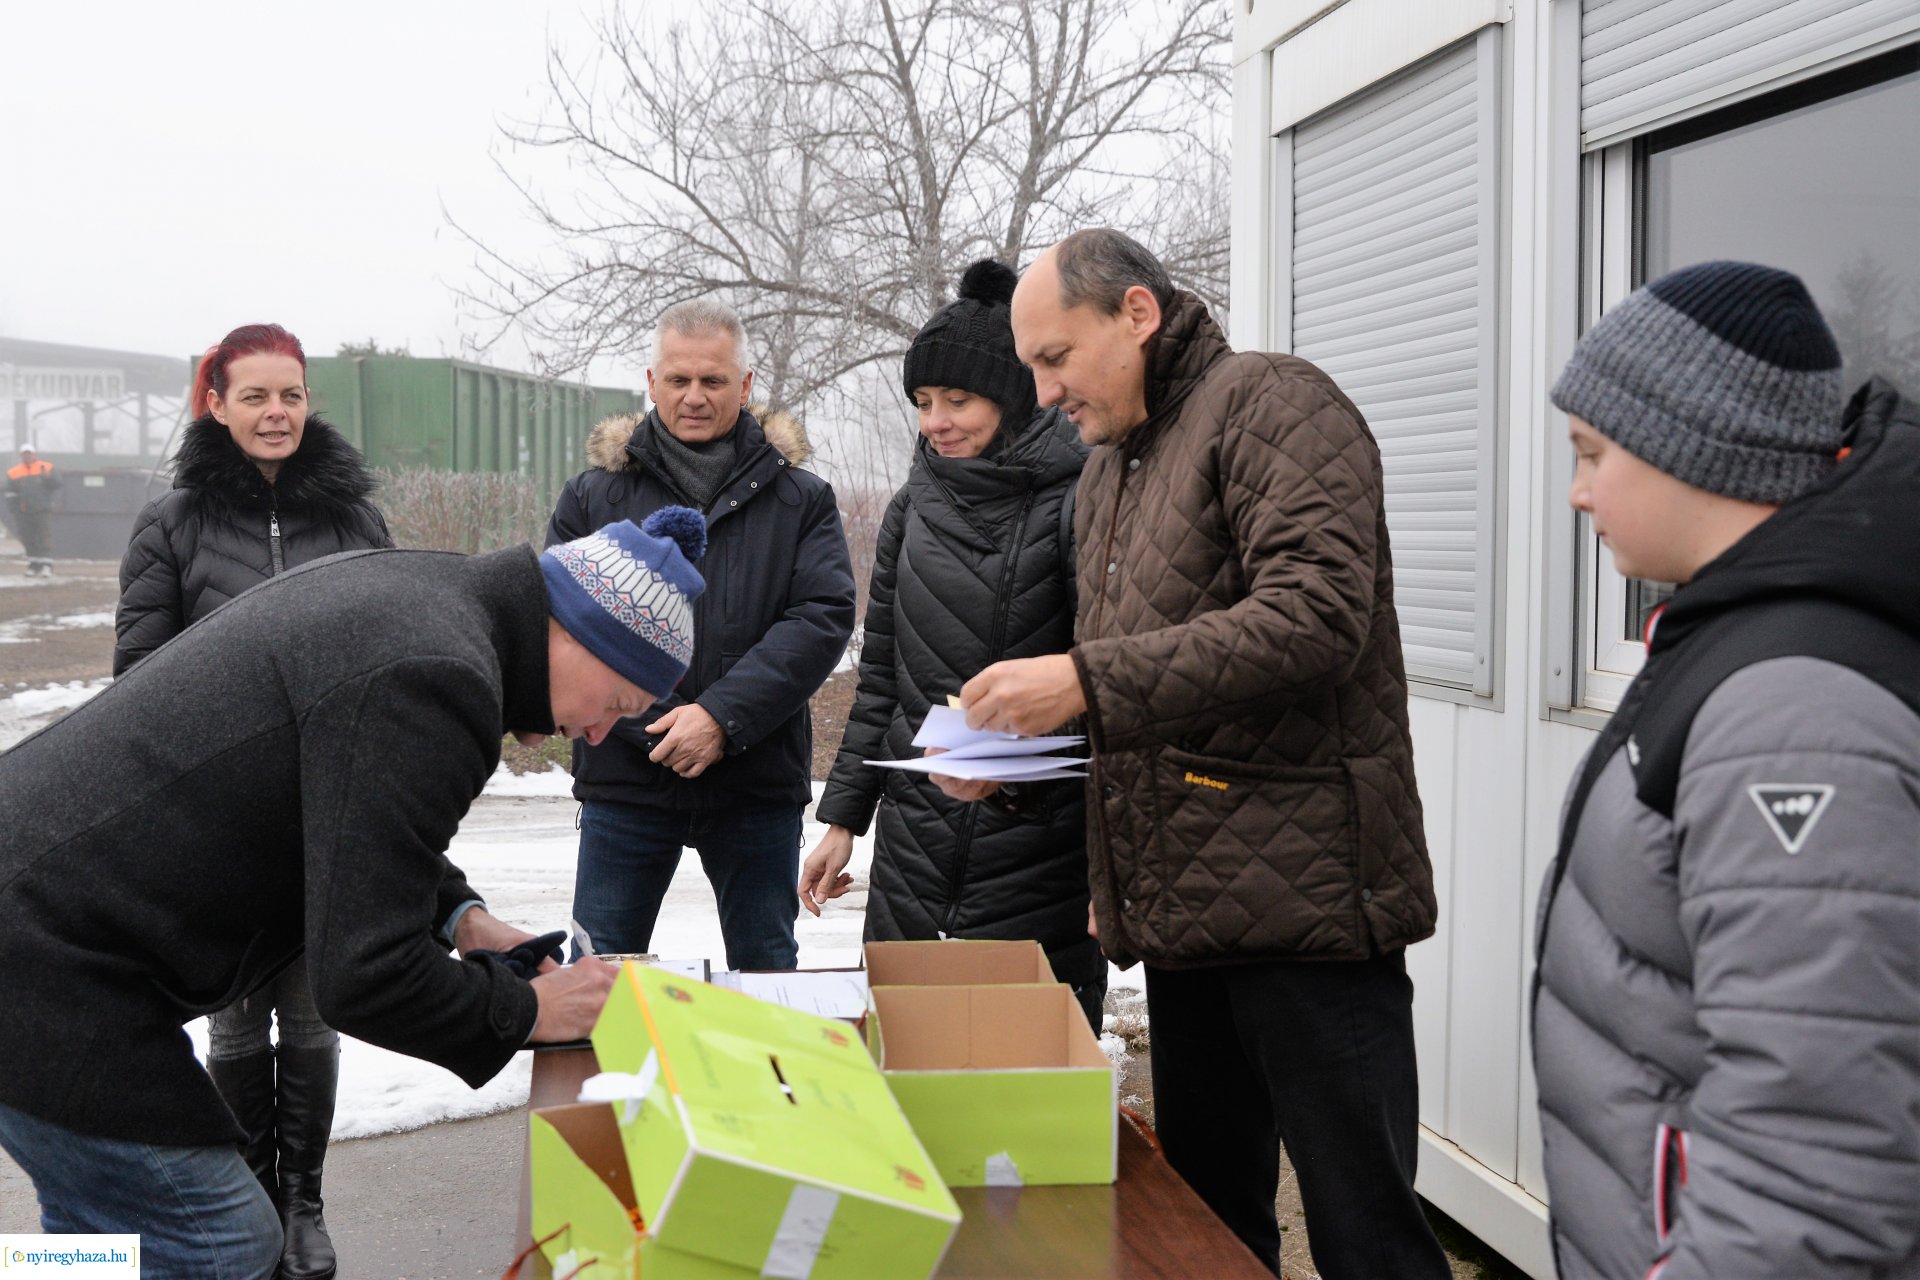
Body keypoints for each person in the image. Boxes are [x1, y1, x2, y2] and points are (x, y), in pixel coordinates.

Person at [0, 509, 708, 1280]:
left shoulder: (433, 602)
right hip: (49, 966)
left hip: (39, 923)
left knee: (108, 1227)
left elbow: (345, 816)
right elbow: (367, 975)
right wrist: (530, 1010)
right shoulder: (439, 675)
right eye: (620, 703)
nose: (598, 735)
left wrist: (462, 918)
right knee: (220, 1241)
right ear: (575, 633)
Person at [965, 229, 1448, 1279]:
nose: (1042, 393)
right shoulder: (1107, 473)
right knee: (1210, 1235)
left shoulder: (1273, 403)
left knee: (1368, 1237)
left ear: (1136, 314)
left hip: (1310, 916)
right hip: (1186, 920)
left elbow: (1316, 616)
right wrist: (1027, 760)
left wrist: (1081, 682)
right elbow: (1151, 693)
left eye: (1056, 357)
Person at [1532, 262, 1920, 1279]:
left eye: (1593, 452)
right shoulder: (1731, 638)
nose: (1577, 491)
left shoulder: (1795, 716)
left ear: (1692, 444)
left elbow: (1814, 1158)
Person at [111, 323, 393, 1280]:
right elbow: (139, 679)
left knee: (313, 1015)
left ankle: (304, 1203)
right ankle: (255, 1206)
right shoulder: (171, 522)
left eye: (291, 395)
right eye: (256, 397)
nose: (277, 413)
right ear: (216, 404)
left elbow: (390, 653)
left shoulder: (355, 518)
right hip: (217, 818)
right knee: (233, 1021)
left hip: (329, 809)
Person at [800, 260, 1101, 1025]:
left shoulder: (1080, 504)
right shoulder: (911, 508)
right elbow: (880, 679)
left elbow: (1106, 684)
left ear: (1013, 394)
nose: (936, 421)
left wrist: (1017, 773)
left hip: (1038, 853)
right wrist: (843, 821)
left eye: (958, 400)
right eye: (924, 402)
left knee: (1026, 1065)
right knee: (909, 1054)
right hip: (912, 846)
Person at [547, 299, 855, 971]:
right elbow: (565, 626)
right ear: (651, 383)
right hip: (627, 780)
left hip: (755, 781)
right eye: (679, 379)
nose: (694, 396)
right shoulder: (593, 497)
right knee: (598, 979)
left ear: (744, 386)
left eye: (712, 380)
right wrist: (660, 727)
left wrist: (720, 718)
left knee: (767, 977)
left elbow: (821, 617)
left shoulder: (802, 500)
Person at [6, 443, 61, 576]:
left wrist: (48, 478)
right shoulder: (13, 472)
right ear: (21, 456)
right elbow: (10, 493)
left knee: (44, 537)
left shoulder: (47, 468)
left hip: (42, 510)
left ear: (34, 455)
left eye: (29, 454)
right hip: (24, 512)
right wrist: (15, 509)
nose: (27, 456)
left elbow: (57, 484)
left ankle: (46, 565)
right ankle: (33, 565)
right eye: (25, 454)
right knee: (28, 538)